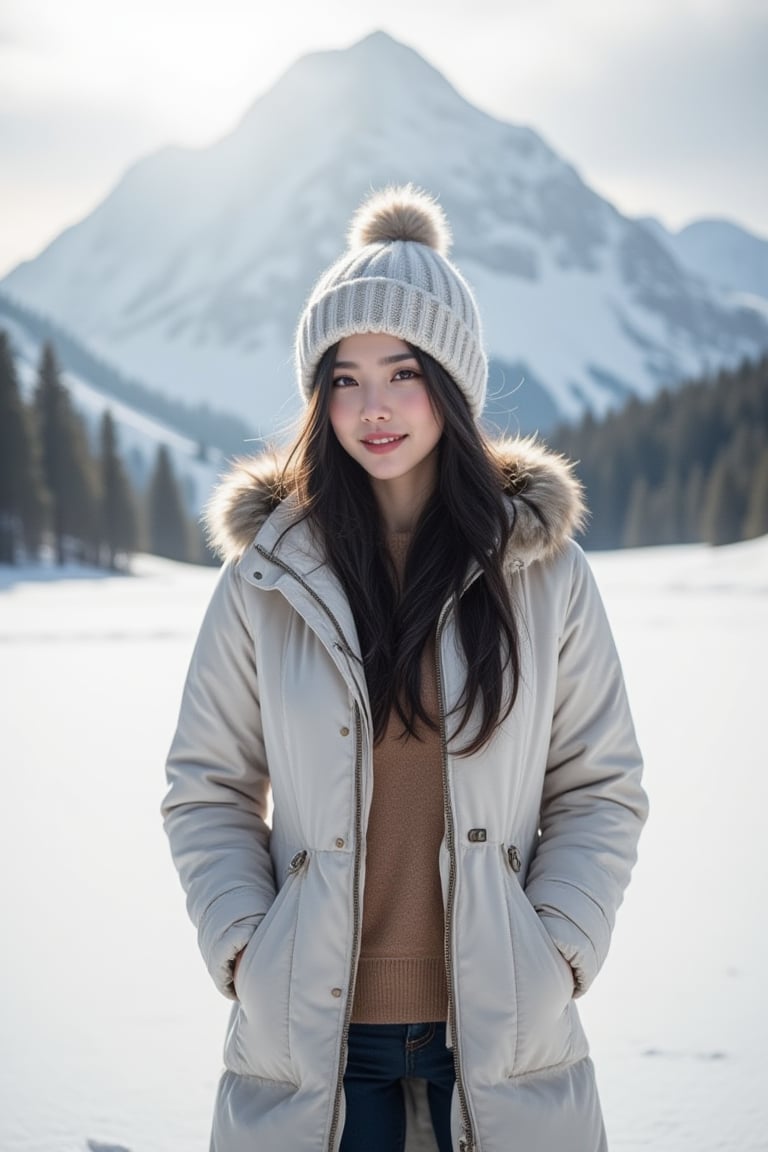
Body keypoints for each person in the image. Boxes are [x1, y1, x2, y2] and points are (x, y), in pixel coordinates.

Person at [161, 184, 648, 1152]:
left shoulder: (544, 574)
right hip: (316, 1038)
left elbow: (600, 787)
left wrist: (554, 948)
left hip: (503, 1031)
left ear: (452, 383)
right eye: (343, 378)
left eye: (401, 373)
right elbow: (205, 789)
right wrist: (248, 947)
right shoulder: (269, 579)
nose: (371, 408)